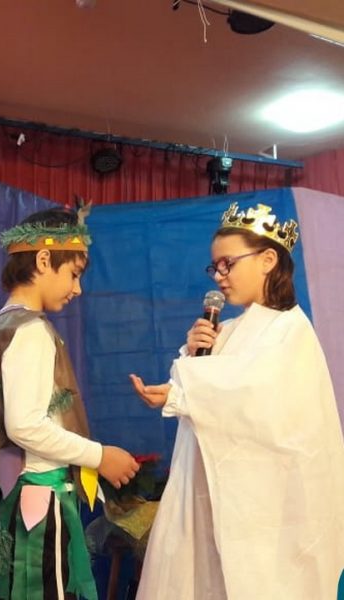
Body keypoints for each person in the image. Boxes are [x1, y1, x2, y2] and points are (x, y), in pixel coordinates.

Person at [130, 203, 344, 599]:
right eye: (215, 268)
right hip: (210, 490)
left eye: (228, 264)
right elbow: (213, 396)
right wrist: (194, 355)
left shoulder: (290, 329)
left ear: (267, 260)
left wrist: (181, 393)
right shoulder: (225, 329)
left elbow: (252, 397)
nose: (220, 277)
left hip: (265, 502)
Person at [0, 206, 139, 600]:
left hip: (13, 496)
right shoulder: (31, 331)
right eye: (74, 274)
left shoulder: (1, 325)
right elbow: (24, 425)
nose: (78, 289)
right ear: (43, 260)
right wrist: (100, 455)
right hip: (36, 506)